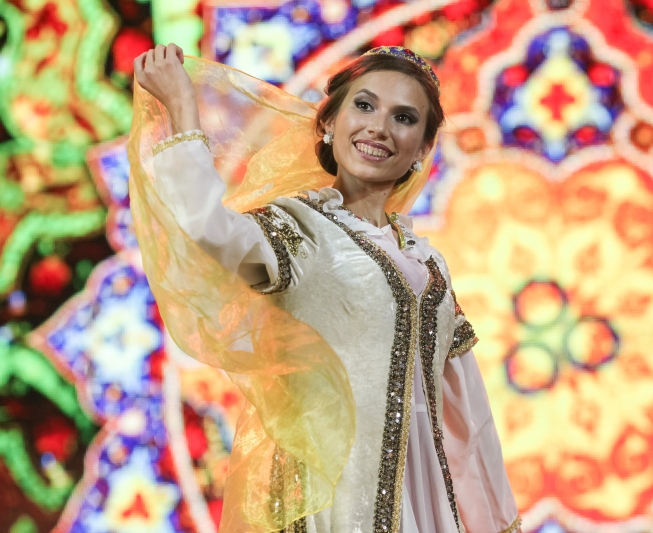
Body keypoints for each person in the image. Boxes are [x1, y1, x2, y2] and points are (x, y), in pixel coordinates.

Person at [129, 42, 520, 533]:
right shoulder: (301, 231)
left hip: (425, 504)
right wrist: (182, 109)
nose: (378, 127)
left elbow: (468, 415)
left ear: (422, 149)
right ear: (329, 122)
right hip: (331, 504)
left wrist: (492, 521)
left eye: (403, 118)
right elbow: (209, 229)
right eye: (364, 106)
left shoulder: (427, 264)